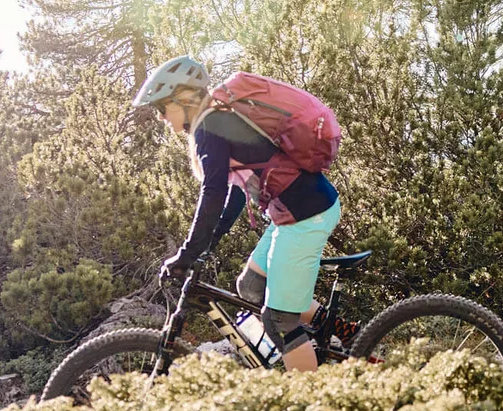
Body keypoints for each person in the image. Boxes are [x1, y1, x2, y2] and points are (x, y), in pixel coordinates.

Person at [133, 55, 353, 372]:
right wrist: (208, 245)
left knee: (278, 322)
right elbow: (236, 192)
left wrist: (187, 253)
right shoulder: (217, 119)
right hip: (293, 211)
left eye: (161, 108)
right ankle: (343, 334)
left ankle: (313, 404)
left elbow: (213, 192)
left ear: (182, 99)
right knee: (250, 285)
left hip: (306, 215)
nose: (161, 118)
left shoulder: (211, 124)